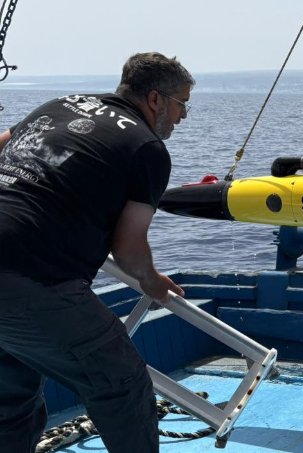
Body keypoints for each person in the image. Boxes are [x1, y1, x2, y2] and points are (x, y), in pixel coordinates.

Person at [0, 52, 193, 453]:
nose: (182, 117)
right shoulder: (147, 149)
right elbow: (128, 247)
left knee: (13, 393)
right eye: (181, 105)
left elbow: (3, 143)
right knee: (122, 384)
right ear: (156, 100)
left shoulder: (59, 104)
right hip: (30, 276)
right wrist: (152, 282)